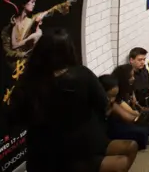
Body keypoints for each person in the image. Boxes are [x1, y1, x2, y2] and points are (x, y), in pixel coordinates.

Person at [8, 29, 138, 172]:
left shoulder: (27, 83)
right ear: (69, 51)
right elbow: (105, 108)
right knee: (125, 156)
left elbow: (15, 120)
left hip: (40, 157)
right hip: (78, 153)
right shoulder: (82, 75)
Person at [99, 73, 149, 150]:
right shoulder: (106, 105)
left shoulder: (116, 101)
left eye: (114, 96)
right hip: (107, 132)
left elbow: (129, 116)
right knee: (140, 133)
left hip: (119, 124)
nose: (111, 99)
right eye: (109, 96)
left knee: (145, 128)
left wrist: (144, 116)